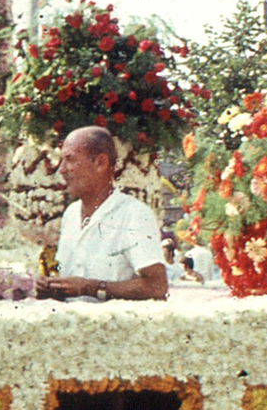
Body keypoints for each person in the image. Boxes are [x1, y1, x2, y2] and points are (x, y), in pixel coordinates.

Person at [36, 127, 168, 302]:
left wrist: (92, 288)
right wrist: (54, 288)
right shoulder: (71, 214)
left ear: (100, 163)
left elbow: (157, 286)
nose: (61, 170)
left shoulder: (133, 214)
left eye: (70, 159)